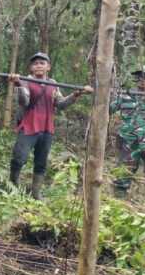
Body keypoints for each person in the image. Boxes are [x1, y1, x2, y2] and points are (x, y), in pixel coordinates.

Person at [8, 52, 93, 199]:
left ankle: (36, 193)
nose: (39, 66)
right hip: (29, 126)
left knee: (41, 162)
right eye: (35, 63)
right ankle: (12, 186)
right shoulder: (25, 81)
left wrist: (76, 94)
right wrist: (18, 85)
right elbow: (24, 101)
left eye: (42, 63)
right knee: (19, 158)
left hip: (47, 129)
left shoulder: (53, 83)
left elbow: (60, 104)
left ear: (48, 67)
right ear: (31, 68)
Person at [110, 65, 145, 205]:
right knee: (122, 175)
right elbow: (107, 108)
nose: (142, 80)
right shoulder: (125, 96)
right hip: (128, 142)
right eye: (140, 76)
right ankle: (118, 207)